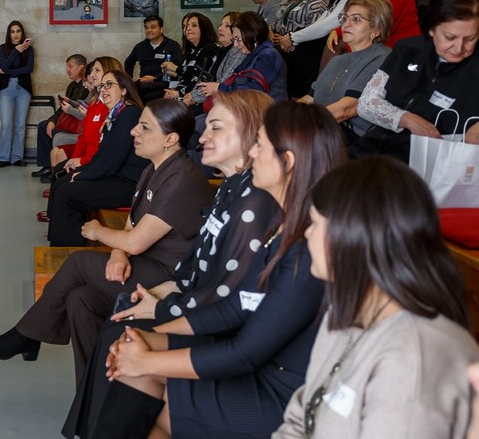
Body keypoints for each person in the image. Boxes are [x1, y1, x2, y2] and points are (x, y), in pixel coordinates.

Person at [77, 102, 346, 439]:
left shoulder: (307, 246)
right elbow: (236, 306)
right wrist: (153, 335)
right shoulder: (283, 228)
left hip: (279, 390)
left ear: (287, 161)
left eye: (260, 145)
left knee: (141, 377)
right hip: (258, 365)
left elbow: (246, 352)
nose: (252, 154)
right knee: (134, 362)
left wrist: (147, 360)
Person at [62, 90, 279, 438]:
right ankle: (88, 426)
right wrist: (161, 292)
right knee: (89, 303)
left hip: (216, 325)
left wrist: (163, 306)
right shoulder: (230, 187)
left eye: (216, 128)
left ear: (250, 135)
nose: (202, 137)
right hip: (188, 296)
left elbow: (230, 296)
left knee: (119, 331)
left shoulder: (253, 200)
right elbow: (196, 263)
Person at [0, 99, 215, 381]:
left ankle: (26, 335)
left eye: (144, 127)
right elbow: (132, 223)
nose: (133, 132)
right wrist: (118, 253)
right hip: (145, 262)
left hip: (169, 277)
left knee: (79, 261)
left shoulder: (181, 178)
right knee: (81, 299)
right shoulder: (154, 168)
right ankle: (92, 387)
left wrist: (97, 232)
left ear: (170, 139)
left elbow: (136, 242)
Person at [273, 156, 479, 438]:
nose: (307, 233)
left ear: (354, 237)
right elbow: (301, 417)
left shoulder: (414, 356)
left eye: (315, 223)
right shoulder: (345, 309)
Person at [353, 0, 479, 161]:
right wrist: (408, 120)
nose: (459, 48)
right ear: (432, 29)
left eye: (470, 39)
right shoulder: (407, 49)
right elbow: (366, 103)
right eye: (450, 37)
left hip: (429, 165)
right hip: (373, 149)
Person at [46, 70, 147, 247]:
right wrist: (84, 171)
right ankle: (59, 243)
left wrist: (84, 175)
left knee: (67, 193)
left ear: (124, 90)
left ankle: (68, 251)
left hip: (129, 183)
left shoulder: (130, 113)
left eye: (109, 85)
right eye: (102, 86)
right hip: (116, 175)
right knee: (63, 181)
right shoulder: (116, 114)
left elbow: (113, 157)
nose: (103, 89)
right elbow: (104, 154)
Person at [298, 0, 391, 142]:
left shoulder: (382, 58)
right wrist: (287, 115)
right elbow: (309, 98)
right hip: (323, 128)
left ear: (376, 30)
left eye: (356, 19)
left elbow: (347, 109)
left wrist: (301, 125)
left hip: (354, 139)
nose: (346, 23)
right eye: (345, 18)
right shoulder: (338, 60)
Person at [38, 56, 121, 188]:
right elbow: (85, 135)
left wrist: (81, 162)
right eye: (92, 72)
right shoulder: (93, 99)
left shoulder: (115, 106)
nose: (92, 76)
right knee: (52, 142)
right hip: (89, 152)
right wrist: (76, 160)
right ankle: (53, 181)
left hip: (97, 161)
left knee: (59, 140)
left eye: (97, 71)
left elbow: (101, 143)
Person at [198, 11, 288, 104]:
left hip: (270, 110)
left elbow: (253, 92)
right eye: (234, 40)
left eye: (238, 39)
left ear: (252, 35)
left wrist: (219, 88)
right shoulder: (254, 54)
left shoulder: (267, 57)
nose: (235, 45)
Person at [269, 0, 327, 99]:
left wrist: (290, 40)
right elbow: (273, 23)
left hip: (303, 52)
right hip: (282, 49)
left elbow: (315, 28)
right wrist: (272, 35)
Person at [32, 54, 89, 178]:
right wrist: (52, 120)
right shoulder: (72, 85)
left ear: (81, 67)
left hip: (77, 123)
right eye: (67, 67)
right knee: (44, 126)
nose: (67, 70)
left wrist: (69, 107)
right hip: (70, 119)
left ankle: (56, 168)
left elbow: (82, 109)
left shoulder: (87, 87)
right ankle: (47, 166)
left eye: (70, 66)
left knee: (57, 132)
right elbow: (62, 108)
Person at [0, 20, 34, 167]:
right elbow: (4, 65)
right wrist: (16, 50)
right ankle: (3, 158)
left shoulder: (29, 50)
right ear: (8, 34)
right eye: (12, 31)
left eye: (18, 31)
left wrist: (7, 71)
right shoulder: (2, 48)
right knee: (6, 124)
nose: (16, 34)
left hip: (23, 89)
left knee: (20, 124)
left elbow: (29, 69)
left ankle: (17, 157)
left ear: (22, 33)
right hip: (6, 88)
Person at [162, 13, 220, 109]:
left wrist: (178, 93)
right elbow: (186, 77)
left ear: (204, 28)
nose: (188, 28)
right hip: (181, 95)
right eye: (186, 26)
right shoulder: (191, 51)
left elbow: (199, 77)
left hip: (196, 100)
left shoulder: (210, 48)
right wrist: (174, 90)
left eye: (194, 25)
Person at [188, 12, 245, 109]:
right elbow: (207, 77)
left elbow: (224, 82)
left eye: (227, 26)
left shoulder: (238, 51)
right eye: (221, 24)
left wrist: (193, 96)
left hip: (224, 104)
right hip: (209, 99)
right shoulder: (221, 51)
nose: (220, 28)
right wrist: (191, 94)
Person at [124, 15, 183, 103]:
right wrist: (129, 79)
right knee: (128, 92)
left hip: (164, 84)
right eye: (146, 28)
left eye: (153, 27)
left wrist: (154, 78)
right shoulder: (140, 46)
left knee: (147, 97)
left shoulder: (173, 46)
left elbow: (178, 69)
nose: (149, 30)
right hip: (144, 84)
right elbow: (129, 62)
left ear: (161, 29)